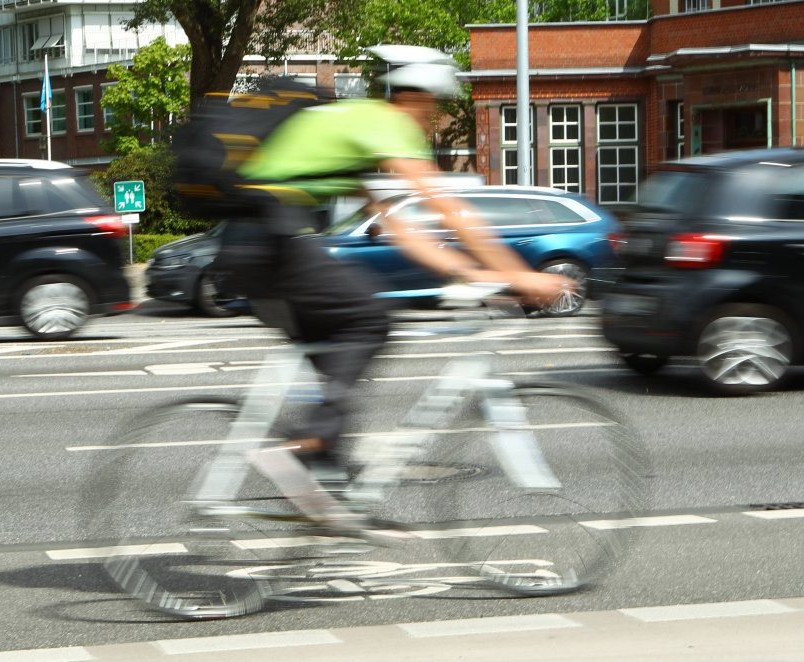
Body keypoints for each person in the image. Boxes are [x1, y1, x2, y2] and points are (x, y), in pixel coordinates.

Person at [213, 45, 573, 516]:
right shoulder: (386, 124)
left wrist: (475, 274)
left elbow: (402, 230)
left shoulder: (354, 124)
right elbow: (451, 211)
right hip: (269, 240)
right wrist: (523, 276)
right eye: (434, 105)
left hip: (249, 247)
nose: (433, 117)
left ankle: (326, 493)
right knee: (368, 320)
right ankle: (304, 452)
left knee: (337, 362)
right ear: (416, 96)